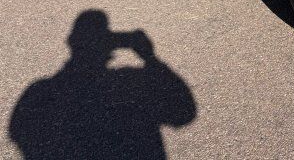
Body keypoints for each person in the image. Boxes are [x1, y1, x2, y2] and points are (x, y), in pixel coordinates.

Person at [9, 10, 196, 160]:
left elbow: (22, 137)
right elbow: (184, 112)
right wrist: (150, 58)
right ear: (111, 48)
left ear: (71, 43)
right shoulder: (130, 83)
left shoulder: (40, 93)